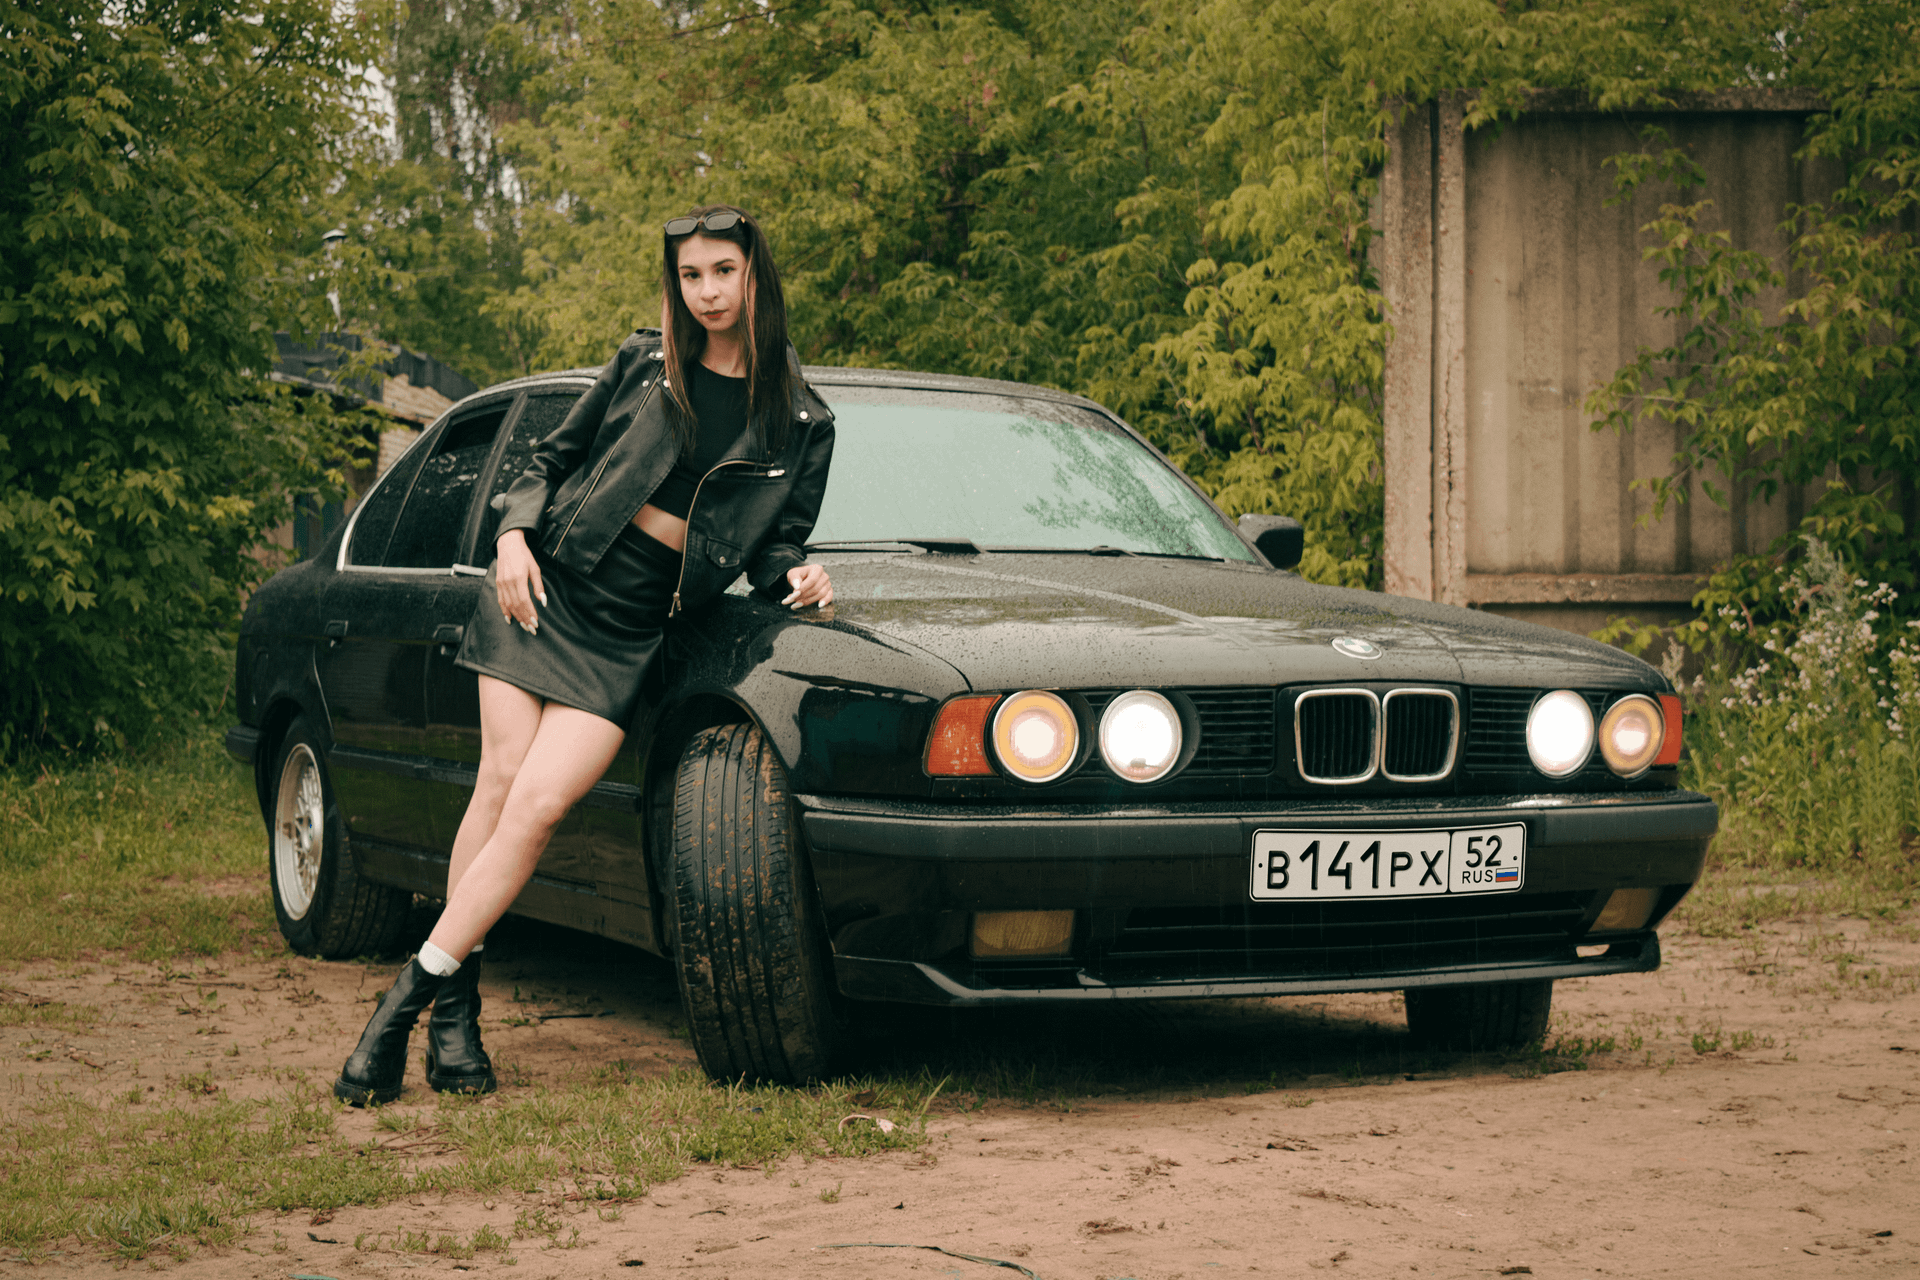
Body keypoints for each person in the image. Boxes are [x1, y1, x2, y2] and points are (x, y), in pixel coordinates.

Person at [333, 205, 836, 1105]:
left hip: (630, 633)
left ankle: (403, 1003)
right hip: (545, 592)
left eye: (723, 272)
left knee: (537, 807)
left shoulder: (800, 420)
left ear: (755, 275)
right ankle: (454, 1020)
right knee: (498, 786)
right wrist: (511, 538)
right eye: (691, 276)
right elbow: (547, 460)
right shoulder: (645, 363)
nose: (708, 292)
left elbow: (776, 543)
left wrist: (799, 574)